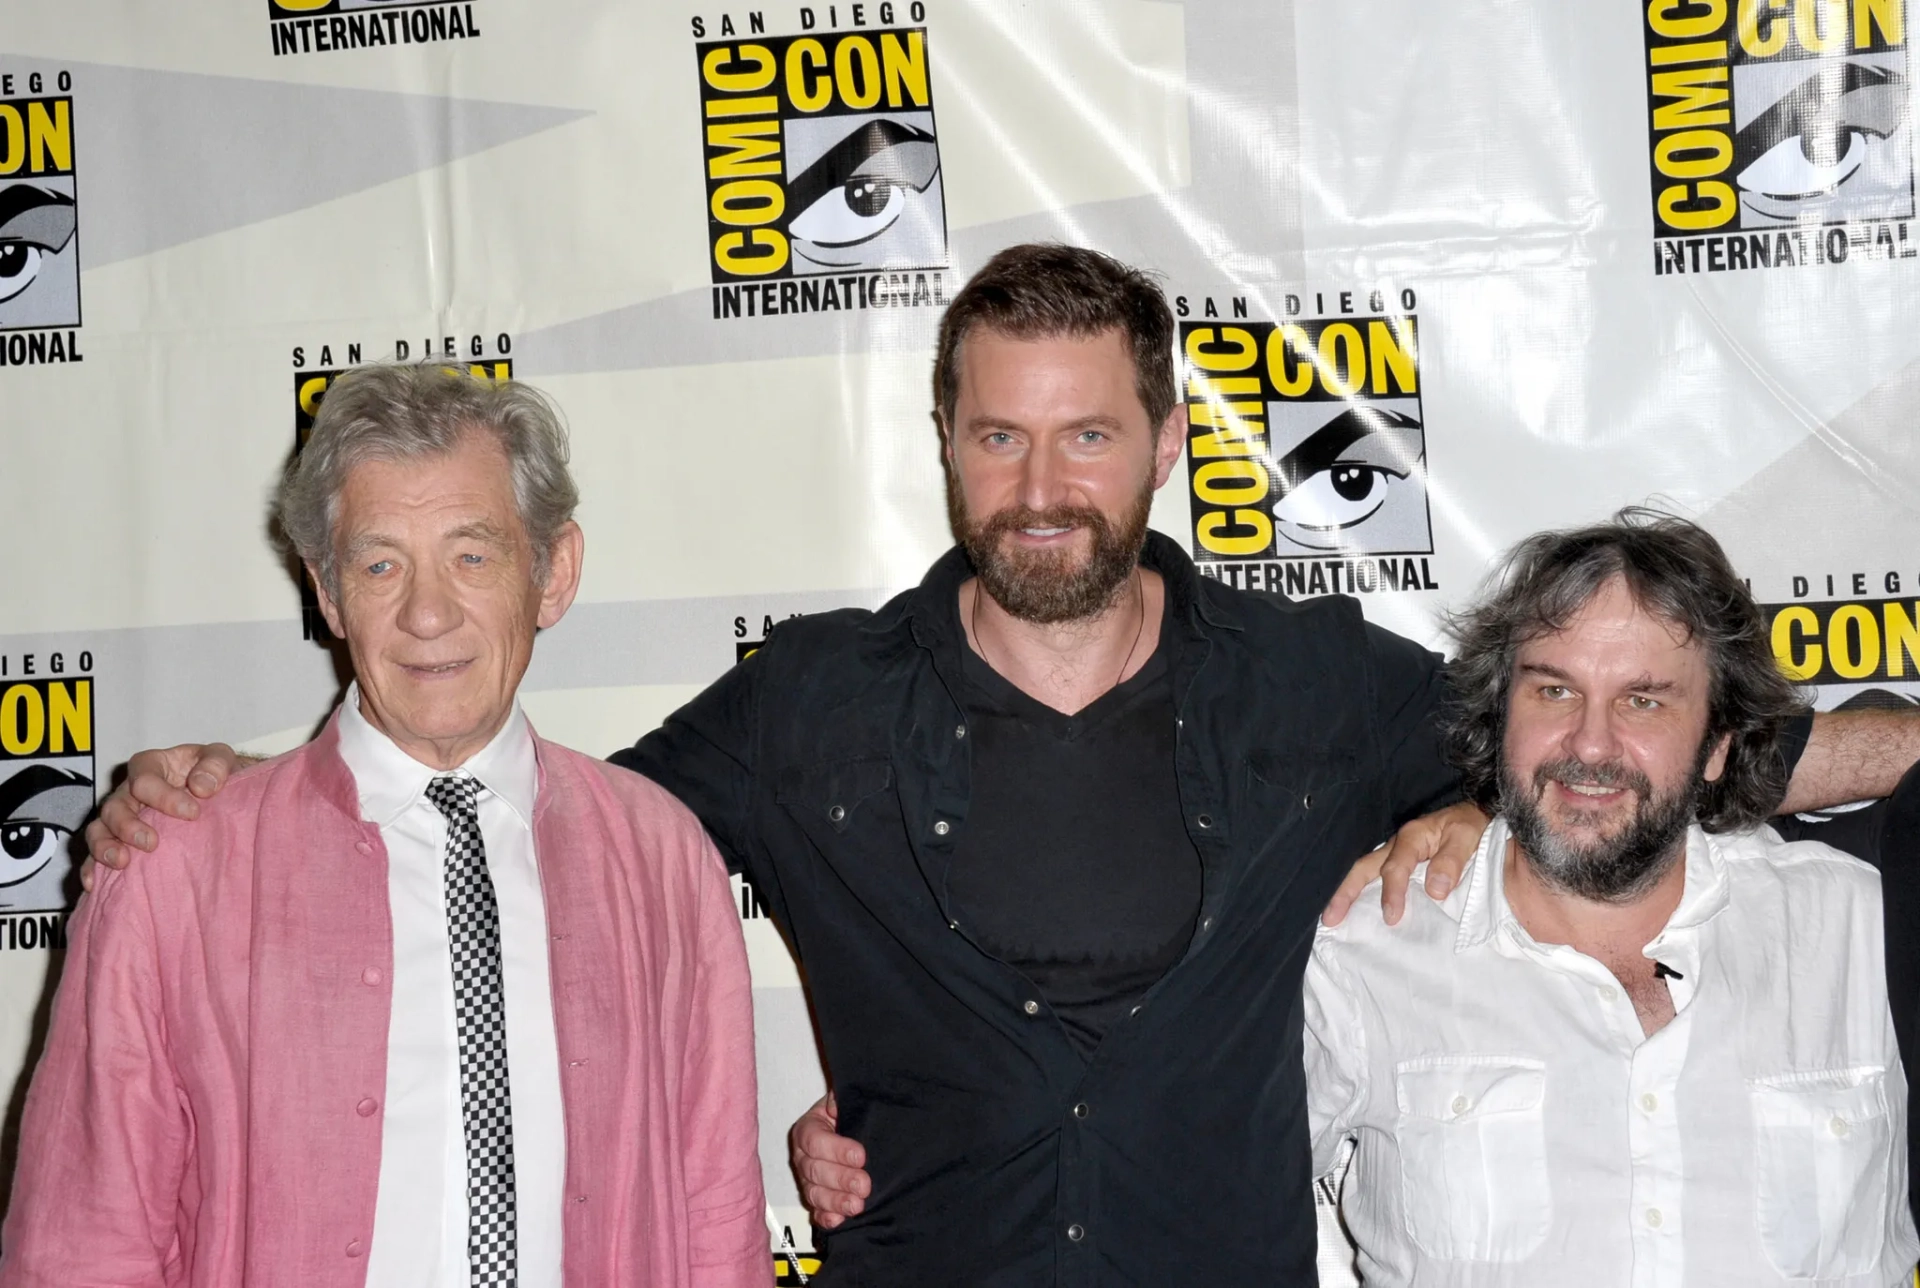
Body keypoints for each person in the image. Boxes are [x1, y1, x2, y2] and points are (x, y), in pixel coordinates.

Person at [86, 248, 1920, 1285]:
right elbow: (508, 810)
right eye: (999, 435)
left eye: (1090, 434)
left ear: (1163, 442)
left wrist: (1863, 740)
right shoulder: (800, 708)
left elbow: (1615, 752)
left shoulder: (1320, 682)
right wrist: (239, 786)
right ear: (946, 443)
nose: (1043, 485)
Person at [1, 365, 768, 1288]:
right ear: (327, 593)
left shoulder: (663, 858)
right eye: (379, 563)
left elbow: (715, 1217)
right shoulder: (175, 867)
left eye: (471, 555)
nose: (426, 612)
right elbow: (81, 1242)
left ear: (552, 573)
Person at [1300, 513, 1917, 1283]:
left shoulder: (1865, 931)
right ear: (1501, 718)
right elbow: (1209, 1216)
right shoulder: (1365, 952)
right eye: (1555, 691)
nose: (1590, 745)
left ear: (1720, 743)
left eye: (1644, 701)